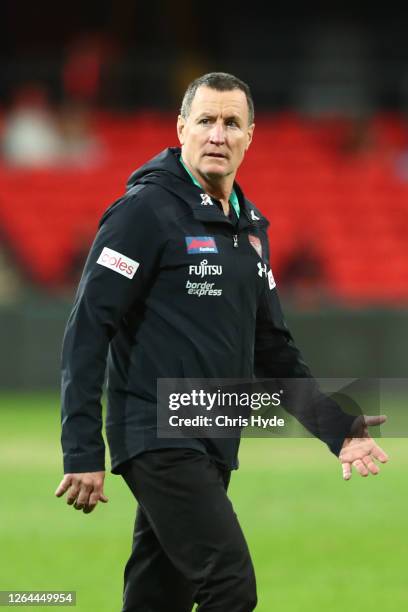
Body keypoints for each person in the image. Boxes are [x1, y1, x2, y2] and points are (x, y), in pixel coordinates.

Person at [55, 72, 389, 612]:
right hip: (156, 436)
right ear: (181, 129)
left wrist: (338, 430)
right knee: (229, 586)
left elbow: (274, 349)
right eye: (206, 120)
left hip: (213, 437)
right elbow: (89, 326)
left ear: (250, 136)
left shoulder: (250, 230)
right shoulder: (144, 212)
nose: (218, 134)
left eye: (231, 122)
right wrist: (82, 448)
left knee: (158, 595)